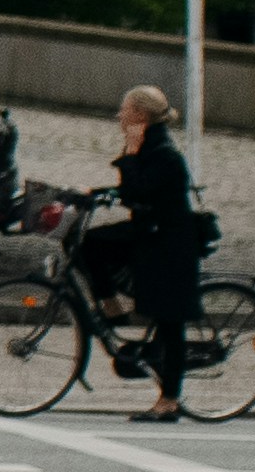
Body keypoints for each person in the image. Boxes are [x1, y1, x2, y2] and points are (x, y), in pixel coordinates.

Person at [80, 81, 210, 418]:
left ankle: (169, 401)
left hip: (169, 246)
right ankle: (112, 304)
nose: (120, 115)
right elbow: (131, 193)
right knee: (90, 244)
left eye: (125, 110)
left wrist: (131, 154)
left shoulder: (164, 153)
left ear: (140, 115)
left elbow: (140, 190)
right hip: (151, 235)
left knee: (170, 324)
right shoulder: (148, 148)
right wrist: (95, 192)